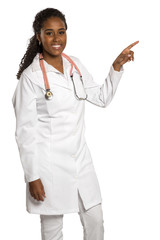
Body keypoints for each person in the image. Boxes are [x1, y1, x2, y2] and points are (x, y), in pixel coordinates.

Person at [12, 7, 139, 240]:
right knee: (52, 231)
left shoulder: (75, 65)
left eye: (61, 32)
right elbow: (24, 132)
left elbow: (101, 98)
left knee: (95, 221)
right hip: (48, 167)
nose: (56, 38)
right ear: (38, 36)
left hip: (81, 161)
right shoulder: (31, 78)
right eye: (49, 33)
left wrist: (116, 67)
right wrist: (32, 176)